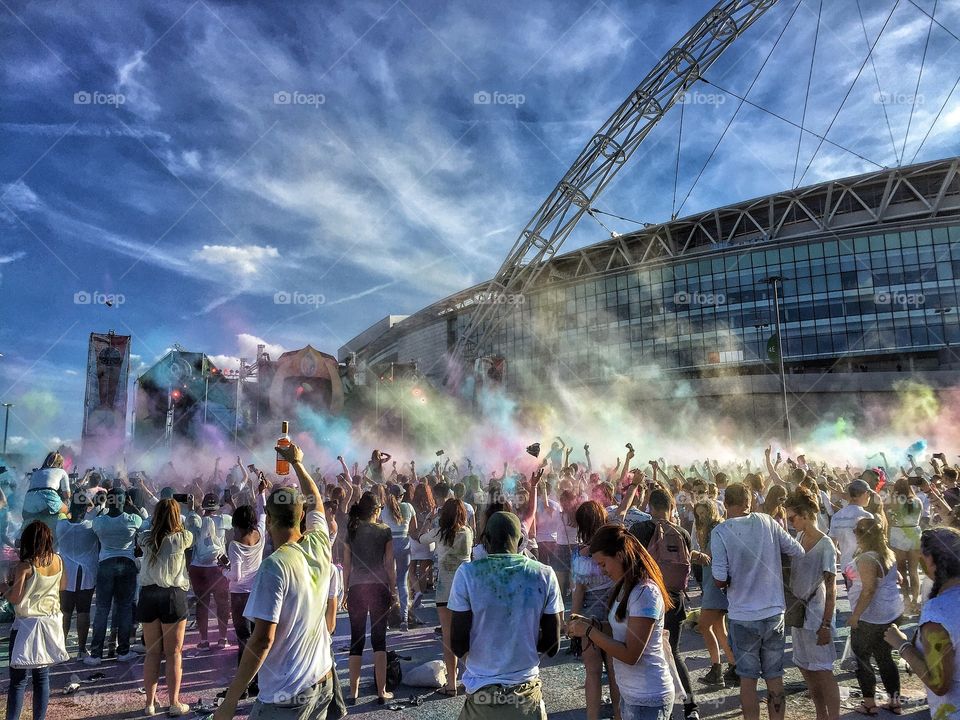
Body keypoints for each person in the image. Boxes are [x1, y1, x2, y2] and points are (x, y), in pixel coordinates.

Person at [214, 442, 335, 720]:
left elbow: (261, 641)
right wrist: (297, 463)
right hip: (321, 680)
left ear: (268, 520)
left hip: (286, 693)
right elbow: (315, 499)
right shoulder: (319, 543)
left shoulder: (274, 567)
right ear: (301, 516)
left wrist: (230, 702)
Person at [450, 511, 563, 720]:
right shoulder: (545, 574)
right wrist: (521, 641)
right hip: (526, 695)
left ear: (485, 541)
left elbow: (457, 644)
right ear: (521, 541)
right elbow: (552, 646)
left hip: (482, 696)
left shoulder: (467, 574)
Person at [710, 482, 805, 720]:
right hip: (773, 611)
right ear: (748, 502)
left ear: (726, 503)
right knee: (775, 677)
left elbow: (720, 579)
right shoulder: (768, 522)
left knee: (748, 681)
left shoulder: (720, 532)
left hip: (743, 615)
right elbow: (797, 550)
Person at [568, 523, 676, 720]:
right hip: (630, 694)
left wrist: (590, 632)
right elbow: (621, 631)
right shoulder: (624, 587)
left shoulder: (645, 593)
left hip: (649, 697)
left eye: (602, 564)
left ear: (619, 555)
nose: (602, 571)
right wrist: (593, 624)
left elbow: (631, 654)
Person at [630, 486, 699, 720]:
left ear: (649, 507)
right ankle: (691, 708)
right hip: (675, 599)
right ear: (671, 507)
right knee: (675, 653)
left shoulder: (639, 529)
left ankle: (661, 707)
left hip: (647, 599)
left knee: (652, 654)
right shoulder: (682, 533)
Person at [885, 527, 960, 719]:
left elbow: (939, 684)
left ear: (932, 560)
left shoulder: (937, 612)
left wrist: (901, 645)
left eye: (922, 555)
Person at [0, 521, 68, 720]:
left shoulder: (25, 565)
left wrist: (4, 587)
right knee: (42, 677)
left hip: (26, 625)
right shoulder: (58, 560)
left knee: (18, 680)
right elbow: (63, 586)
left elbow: (16, 598)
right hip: (51, 622)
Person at [783, 489, 840, 720]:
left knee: (824, 671)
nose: (789, 522)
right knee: (806, 668)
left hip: (817, 616)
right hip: (799, 614)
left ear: (806, 514)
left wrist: (826, 624)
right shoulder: (798, 538)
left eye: (792, 517)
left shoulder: (825, 544)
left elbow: (832, 587)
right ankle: (820, 715)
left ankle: (834, 717)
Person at [137, 498, 194, 716]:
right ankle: (174, 702)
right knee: (174, 653)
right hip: (173, 595)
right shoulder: (183, 537)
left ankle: (150, 703)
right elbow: (189, 526)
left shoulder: (145, 538)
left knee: (152, 652)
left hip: (149, 595)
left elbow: (144, 530)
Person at [845, 516, 904, 715]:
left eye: (856, 531)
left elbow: (869, 590)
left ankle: (869, 703)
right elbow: (899, 578)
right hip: (891, 613)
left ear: (862, 535)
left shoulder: (867, 558)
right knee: (885, 657)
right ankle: (895, 701)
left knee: (863, 659)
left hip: (871, 617)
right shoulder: (888, 553)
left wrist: (855, 616)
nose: (854, 533)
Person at [344, 491, 397, 704]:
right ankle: (381, 691)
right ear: (376, 511)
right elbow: (389, 564)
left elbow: (346, 565)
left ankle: (353, 693)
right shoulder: (385, 531)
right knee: (379, 640)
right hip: (379, 587)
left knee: (356, 640)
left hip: (356, 587)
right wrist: (394, 590)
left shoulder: (352, 530)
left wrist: (345, 590)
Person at [418, 497, 472, 697]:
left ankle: (451, 684)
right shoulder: (468, 533)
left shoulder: (439, 533)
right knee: (468, 635)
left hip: (444, 591)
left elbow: (421, 538)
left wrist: (429, 520)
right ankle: (472, 678)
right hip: (465, 590)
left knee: (448, 638)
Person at [570, 501, 619, 720]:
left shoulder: (582, 553)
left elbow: (579, 590)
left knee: (592, 672)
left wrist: (573, 619)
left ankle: (592, 717)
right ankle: (619, 715)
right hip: (614, 609)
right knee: (614, 670)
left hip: (589, 612)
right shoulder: (614, 544)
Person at [87, 486, 142, 665]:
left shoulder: (100, 522)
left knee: (102, 609)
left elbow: (92, 523)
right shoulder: (133, 519)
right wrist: (131, 506)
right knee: (125, 607)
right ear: (125, 500)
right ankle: (123, 651)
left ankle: (96, 654)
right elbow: (147, 521)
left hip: (106, 565)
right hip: (127, 563)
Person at [221, 492, 266, 699]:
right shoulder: (260, 534)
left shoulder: (235, 545)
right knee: (257, 638)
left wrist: (223, 569)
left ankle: (242, 686)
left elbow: (236, 577)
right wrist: (261, 493)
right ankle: (258, 682)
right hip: (257, 593)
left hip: (239, 596)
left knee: (244, 640)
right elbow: (263, 513)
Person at [691, 499, 737, 688]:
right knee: (719, 629)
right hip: (713, 583)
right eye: (699, 514)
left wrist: (690, 553)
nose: (701, 517)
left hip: (715, 585)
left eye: (704, 513)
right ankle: (730, 667)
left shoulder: (716, 529)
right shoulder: (708, 530)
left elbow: (708, 557)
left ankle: (718, 668)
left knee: (703, 626)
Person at [186, 492, 233, 651]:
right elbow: (237, 519)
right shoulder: (223, 519)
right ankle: (222, 638)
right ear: (217, 506)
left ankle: (204, 640)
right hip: (218, 567)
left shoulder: (195, 520)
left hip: (198, 568)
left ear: (203, 507)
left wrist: (192, 509)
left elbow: (189, 533)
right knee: (222, 603)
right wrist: (231, 503)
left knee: (202, 604)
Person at [57, 493, 98, 660]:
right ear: (85, 509)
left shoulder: (60, 526)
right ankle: (81, 649)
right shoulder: (91, 526)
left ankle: (61, 649)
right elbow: (93, 508)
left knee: (65, 611)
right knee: (83, 610)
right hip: (86, 572)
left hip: (65, 572)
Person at [381, 484, 417, 631]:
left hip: (389, 544)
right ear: (402, 495)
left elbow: (381, 527)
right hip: (404, 543)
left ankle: (386, 617)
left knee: (388, 581)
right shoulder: (408, 507)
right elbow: (414, 528)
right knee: (402, 581)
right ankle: (404, 619)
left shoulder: (385, 510)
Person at [827, 480, 873, 587]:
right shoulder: (867, 516)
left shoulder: (836, 516)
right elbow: (872, 545)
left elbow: (832, 544)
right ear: (865, 494)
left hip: (846, 566)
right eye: (869, 494)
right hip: (865, 566)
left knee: (853, 599)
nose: (869, 497)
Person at [887, 477, 923, 614]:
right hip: (914, 533)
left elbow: (889, 516)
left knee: (901, 570)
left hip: (898, 533)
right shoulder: (918, 500)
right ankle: (915, 601)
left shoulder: (894, 501)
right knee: (914, 571)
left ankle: (906, 600)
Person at [21, 452, 69, 535]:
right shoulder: (62, 471)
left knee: (30, 518)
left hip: (28, 503)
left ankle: (20, 535)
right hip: (48, 499)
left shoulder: (36, 473)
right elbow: (67, 495)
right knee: (67, 510)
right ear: (60, 463)